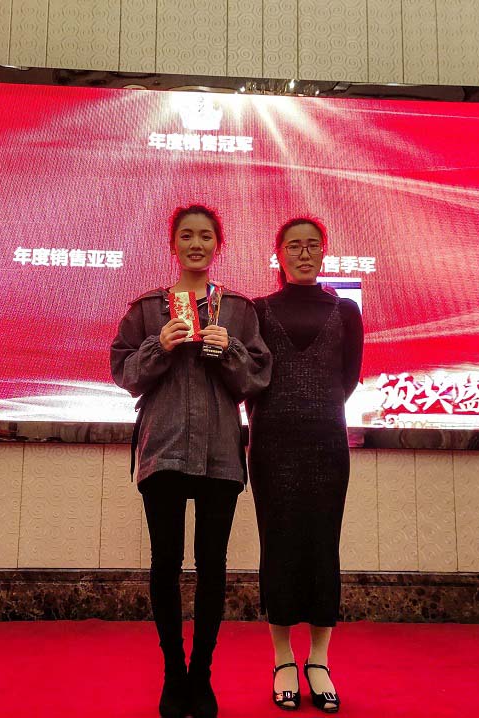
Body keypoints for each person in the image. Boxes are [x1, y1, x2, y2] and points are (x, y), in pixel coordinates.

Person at [111, 204, 272, 718]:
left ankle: (201, 674)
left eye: (205, 236)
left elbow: (257, 380)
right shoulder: (147, 308)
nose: (196, 244)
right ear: (173, 244)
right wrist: (157, 346)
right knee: (165, 563)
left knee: (213, 566)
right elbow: (123, 373)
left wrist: (232, 351)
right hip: (162, 448)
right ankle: (172, 673)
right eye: (187, 236)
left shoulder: (239, 309)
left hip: (220, 450)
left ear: (217, 245)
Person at [247, 216, 364, 714]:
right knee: (277, 545)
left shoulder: (346, 310)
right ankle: (282, 660)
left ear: (323, 252)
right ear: (278, 254)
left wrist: (315, 408)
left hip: (326, 444)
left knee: (322, 545)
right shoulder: (257, 310)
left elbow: (348, 378)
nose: (303, 253)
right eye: (293, 245)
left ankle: (319, 660)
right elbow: (250, 377)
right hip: (271, 445)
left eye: (312, 245)